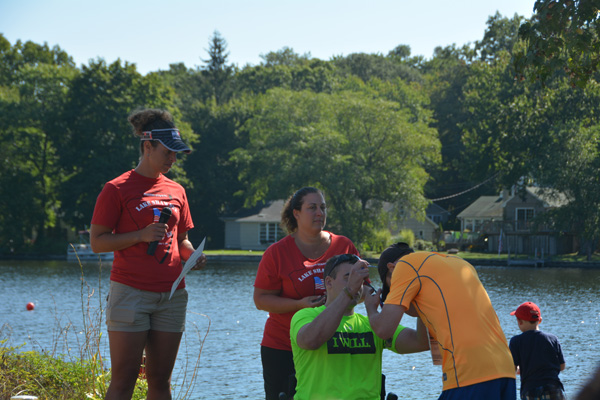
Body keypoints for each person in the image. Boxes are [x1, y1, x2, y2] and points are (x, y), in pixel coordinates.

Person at [90, 108, 207, 400]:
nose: (173, 159)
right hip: (130, 294)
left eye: (176, 154)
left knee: (160, 381)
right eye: (168, 152)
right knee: (124, 380)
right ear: (147, 146)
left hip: (172, 296)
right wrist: (140, 236)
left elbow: (182, 238)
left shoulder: (177, 190)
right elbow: (98, 242)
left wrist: (192, 254)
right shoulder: (116, 189)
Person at [367, 242, 516, 400]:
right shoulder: (459, 263)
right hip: (505, 368)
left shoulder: (404, 266)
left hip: (469, 370)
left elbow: (384, 329)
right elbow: (423, 332)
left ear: (391, 268)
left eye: (393, 288)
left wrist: (371, 308)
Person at [253, 187, 359, 400]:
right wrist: (299, 304)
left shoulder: (343, 245)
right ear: (297, 213)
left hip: (333, 342)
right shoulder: (276, 253)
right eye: (312, 208)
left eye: (322, 207)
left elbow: (363, 289)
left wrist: (352, 295)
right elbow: (261, 300)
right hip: (282, 347)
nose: (320, 213)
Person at [290, 253, 429, 400]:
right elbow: (310, 340)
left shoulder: (373, 323)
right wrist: (349, 290)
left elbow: (421, 342)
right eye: (348, 278)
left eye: (359, 279)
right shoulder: (306, 316)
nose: (356, 284)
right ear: (329, 283)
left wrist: (420, 301)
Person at [509, 301, 566, 400]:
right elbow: (562, 366)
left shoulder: (516, 341)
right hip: (553, 387)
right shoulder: (553, 339)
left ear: (519, 321)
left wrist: (522, 369)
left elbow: (511, 369)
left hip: (530, 390)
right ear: (540, 320)